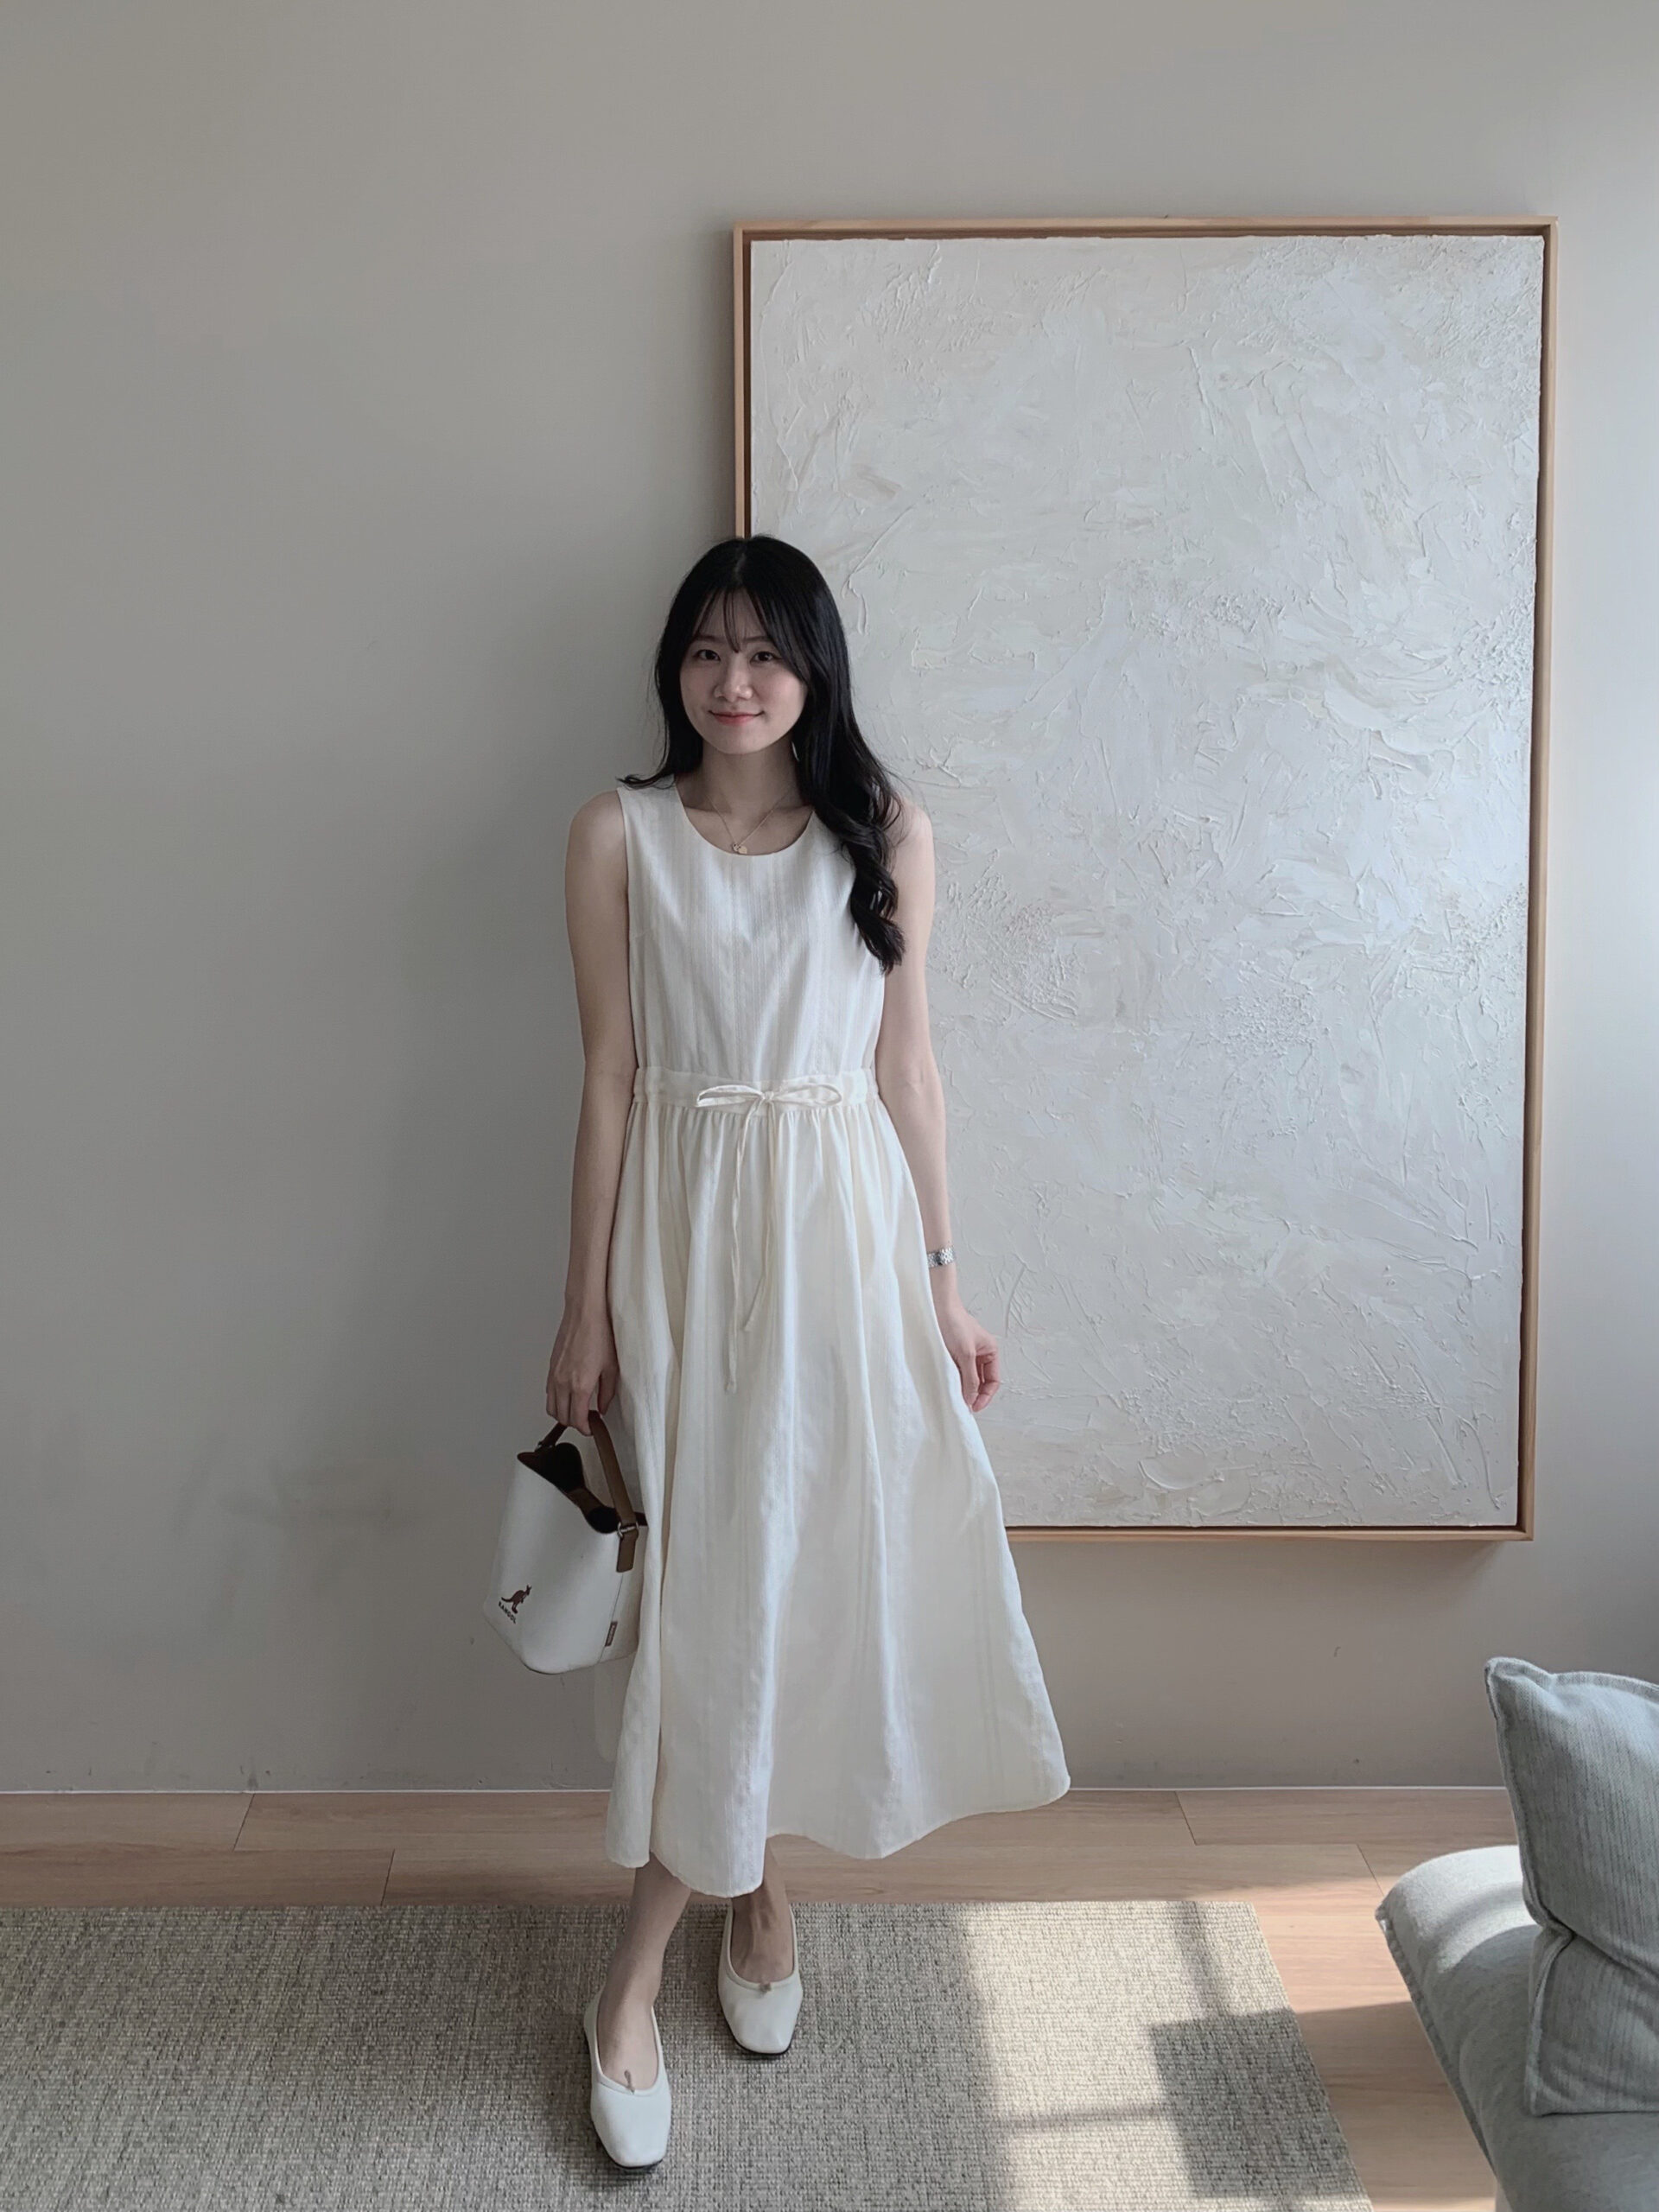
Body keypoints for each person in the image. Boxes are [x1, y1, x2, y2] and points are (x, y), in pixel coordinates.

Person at [547, 534, 1071, 2166]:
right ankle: (650, 1971)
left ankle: (745, 1896)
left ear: (816, 669)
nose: (736, 680)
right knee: (714, 1583)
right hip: (683, 1241)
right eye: (708, 650)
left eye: (767, 652)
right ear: (676, 669)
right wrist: (580, 1307)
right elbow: (610, 1079)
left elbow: (909, 1069)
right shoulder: (617, 835)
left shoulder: (885, 831)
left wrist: (944, 1282)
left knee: (795, 1566)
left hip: (842, 1237)